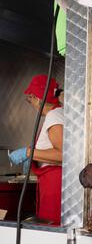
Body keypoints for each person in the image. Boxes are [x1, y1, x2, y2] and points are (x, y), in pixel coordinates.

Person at [8, 75, 64, 225]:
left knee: (51, 228)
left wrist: (28, 152)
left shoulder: (53, 116)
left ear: (38, 98)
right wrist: (34, 156)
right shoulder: (58, 113)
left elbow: (63, 154)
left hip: (54, 185)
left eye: (30, 98)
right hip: (51, 183)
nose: (30, 103)